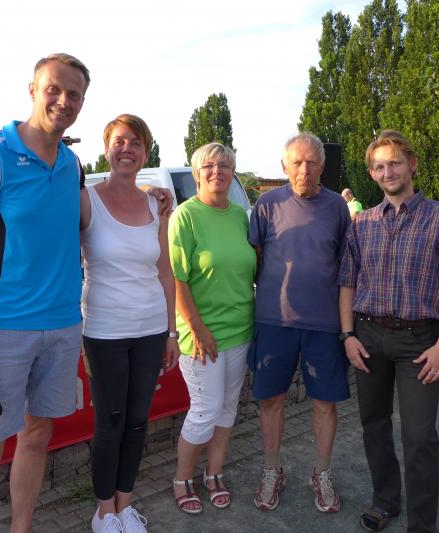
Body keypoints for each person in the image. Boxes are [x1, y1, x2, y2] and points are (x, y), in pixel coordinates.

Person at [0, 53, 91, 533]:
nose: (64, 101)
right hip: (2, 331)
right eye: (54, 89)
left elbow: (92, 220)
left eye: (74, 95)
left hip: (63, 326)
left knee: (37, 436)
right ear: (32, 90)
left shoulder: (72, 164)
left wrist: (150, 196)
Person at [338, 130, 439, 532]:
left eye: (395, 163)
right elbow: (347, 282)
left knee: (419, 437)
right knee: (374, 425)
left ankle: (422, 525)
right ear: (372, 174)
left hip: (420, 343)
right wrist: (348, 336)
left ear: (412, 165)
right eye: (379, 166)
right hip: (368, 337)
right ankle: (385, 501)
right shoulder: (362, 223)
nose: (388, 172)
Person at [81, 113, 180, 533]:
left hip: (151, 329)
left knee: (138, 421)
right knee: (111, 422)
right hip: (104, 331)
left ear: (146, 152)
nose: (127, 149)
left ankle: (125, 506)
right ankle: (103, 512)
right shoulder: (85, 199)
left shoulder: (157, 204)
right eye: (119, 141)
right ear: (107, 149)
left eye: (136, 143)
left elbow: (165, 272)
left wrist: (172, 333)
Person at [249, 133, 351, 513]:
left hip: (324, 324)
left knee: (325, 403)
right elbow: (256, 260)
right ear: (284, 166)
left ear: (322, 166)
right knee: (270, 399)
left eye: (311, 162)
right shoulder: (266, 205)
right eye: (296, 162)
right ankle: (272, 470)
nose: (304, 169)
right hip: (274, 322)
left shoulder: (338, 208)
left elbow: (345, 265)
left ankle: (321, 473)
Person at [169, 143, 256, 514]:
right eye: (209, 165)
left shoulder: (240, 216)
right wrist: (197, 328)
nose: (217, 171)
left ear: (233, 172)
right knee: (204, 411)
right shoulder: (185, 216)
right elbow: (176, 279)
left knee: (227, 408)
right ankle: (182, 478)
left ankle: (214, 473)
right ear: (196, 173)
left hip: (241, 329)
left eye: (224, 165)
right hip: (201, 335)